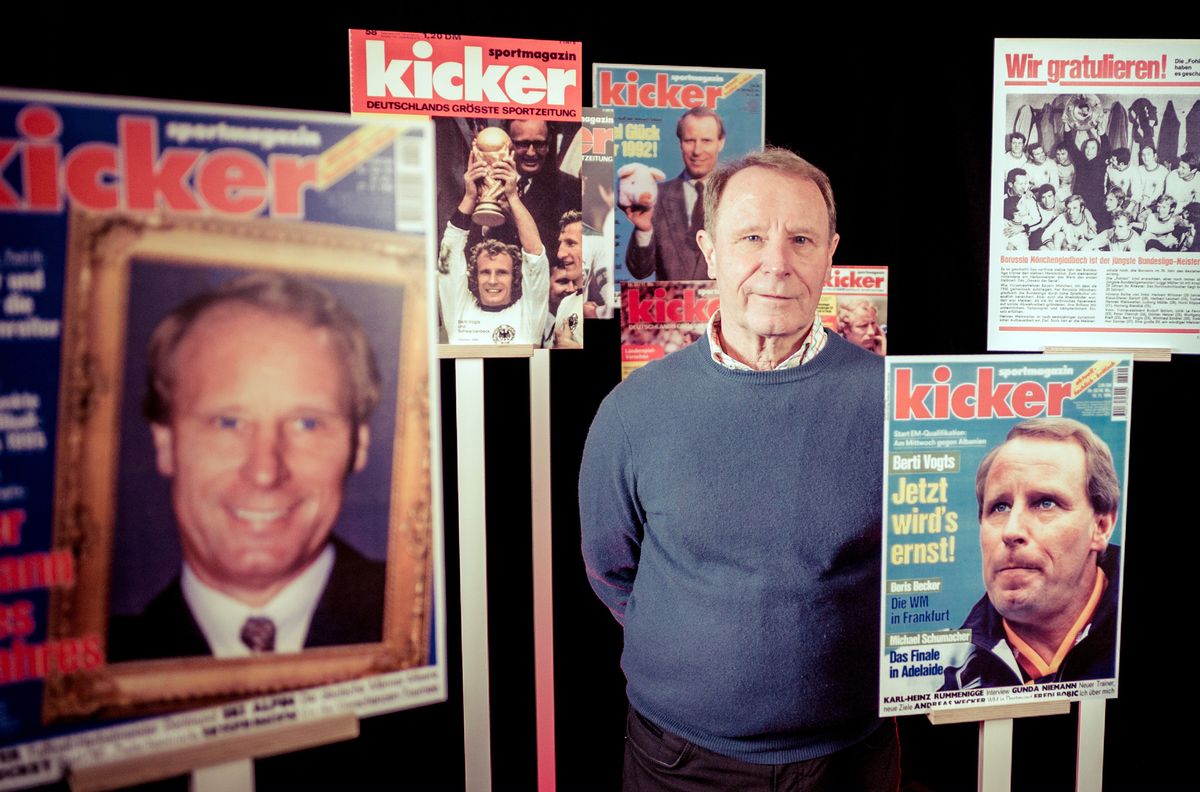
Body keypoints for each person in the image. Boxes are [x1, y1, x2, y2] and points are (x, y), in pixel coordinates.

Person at [581, 147, 896, 789]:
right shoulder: (632, 410)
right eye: (751, 237)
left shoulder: (900, 403)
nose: (776, 264)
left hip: (851, 759)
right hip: (682, 763)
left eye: (801, 239)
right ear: (709, 249)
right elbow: (611, 569)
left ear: (830, 251)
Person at [108, 273, 388, 661]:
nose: (264, 472)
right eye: (228, 423)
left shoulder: (427, 620)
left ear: (359, 445)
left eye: (307, 423)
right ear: (166, 444)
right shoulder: (107, 667)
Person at [942, 418, 1121, 690]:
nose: (1011, 531)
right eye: (1000, 507)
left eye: (1045, 503)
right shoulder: (924, 675)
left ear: (1101, 527)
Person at [438, 152, 548, 345]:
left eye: (502, 272)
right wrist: (470, 196)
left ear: (515, 278)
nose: (492, 280)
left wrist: (512, 197)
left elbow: (535, 255)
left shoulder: (528, 315)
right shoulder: (459, 310)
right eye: (485, 272)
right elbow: (449, 248)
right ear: (474, 277)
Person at [624, 107, 726, 280]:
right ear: (680, 143)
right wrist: (644, 229)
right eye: (690, 140)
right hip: (672, 305)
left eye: (706, 141)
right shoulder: (657, 196)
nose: (697, 151)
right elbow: (640, 271)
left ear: (720, 142)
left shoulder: (735, 195)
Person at [505, 119, 582, 267]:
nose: (531, 153)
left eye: (539, 144)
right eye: (523, 144)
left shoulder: (571, 188)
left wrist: (514, 216)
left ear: (548, 144)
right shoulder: (491, 180)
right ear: (508, 144)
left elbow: (563, 251)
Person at [545, 210, 585, 348]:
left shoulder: (609, 300)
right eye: (561, 244)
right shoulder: (566, 303)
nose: (560, 254)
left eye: (571, 243)